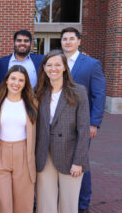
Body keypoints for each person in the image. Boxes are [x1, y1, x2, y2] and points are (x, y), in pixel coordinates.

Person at [35, 49, 90, 213]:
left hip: (70, 155)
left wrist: (78, 161)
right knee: (45, 204)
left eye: (58, 64)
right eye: (49, 65)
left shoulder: (78, 91)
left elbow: (84, 129)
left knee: (69, 204)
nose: (53, 68)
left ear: (65, 67)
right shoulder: (38, 92)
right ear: (44, 68)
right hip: (44, 154)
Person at [60, 27, 106, 213]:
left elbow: (99, 94)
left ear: (79, 41)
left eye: (72, 38)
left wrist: (94, 123)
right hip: (58, 123)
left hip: (82, 123)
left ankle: (83, 204)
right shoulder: (56, 61)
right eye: (64, 39)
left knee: (80, 161)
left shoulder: (91, 63)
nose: (68, 42)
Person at [0, 65, 38, 213]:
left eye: (21, 80)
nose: (16, 83)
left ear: (25, 84)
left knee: (23, 203)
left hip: (23, 153)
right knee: (3, 203)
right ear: (6, 80)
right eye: (13, 78)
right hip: (0, 154)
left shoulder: (32, 103)